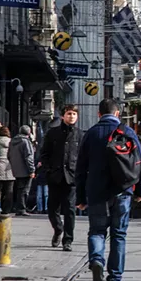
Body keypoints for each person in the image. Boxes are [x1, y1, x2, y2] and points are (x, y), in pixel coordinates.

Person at [75, 98, 141, 281]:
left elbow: (80, 168)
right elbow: (140, 162)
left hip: (96, 192)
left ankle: (97, 260)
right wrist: (139, 190)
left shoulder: (91, 134)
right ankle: (114, 280)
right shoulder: (127, 132)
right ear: (117, 114)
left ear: (99, 114)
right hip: (122, 191)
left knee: (97, 231)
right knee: (119, 235)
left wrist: (80, 198)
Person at [40, 104, 83, 251]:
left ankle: (68, 240)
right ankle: (58, 229)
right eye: (69, 114)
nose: (71, 116)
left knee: (70, 209)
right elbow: (44, 153)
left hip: (71, 177)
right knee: (52, 209)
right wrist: (48, 170)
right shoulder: (53, 133)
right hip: (55, 176)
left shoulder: (80, 135)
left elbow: (83, 157)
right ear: (63, 116)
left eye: (74, 114)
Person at [8, 125, 35, 216]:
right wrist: (32, 170)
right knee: (25, 190)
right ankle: (22, 208)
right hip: (25, 169)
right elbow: (29, 157)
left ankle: (19, 207)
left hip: (16, 169)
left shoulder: (12, 141)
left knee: (19, 189)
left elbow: (9, 155)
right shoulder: (26, 142)